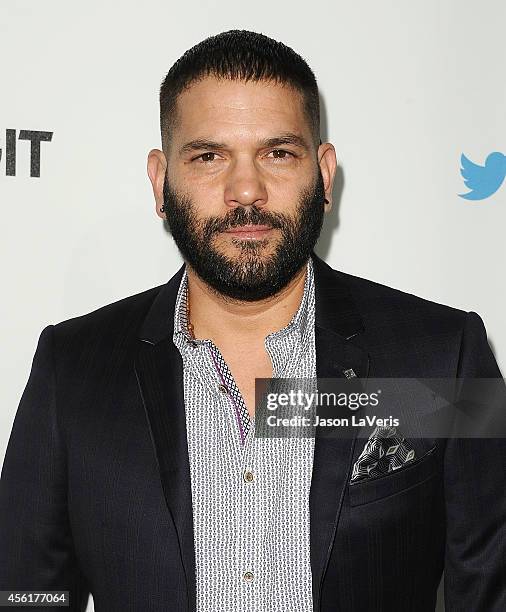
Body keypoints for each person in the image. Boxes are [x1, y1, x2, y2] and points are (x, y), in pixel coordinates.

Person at [1, 29, 505, 612]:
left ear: (324, 173)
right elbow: (25, 594)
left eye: (278, 153)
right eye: (209, 156)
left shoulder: (447, 355)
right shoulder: (73, 368)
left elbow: (490, 587)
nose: (246, 189)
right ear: (161, 180)